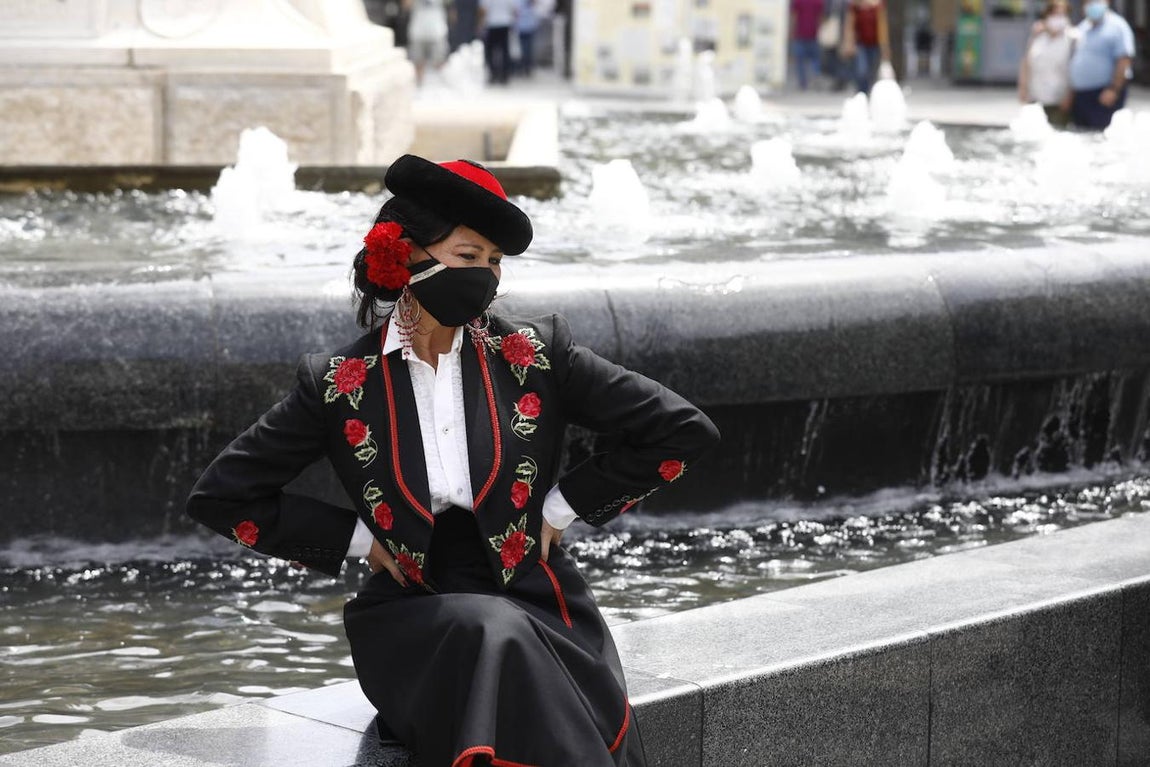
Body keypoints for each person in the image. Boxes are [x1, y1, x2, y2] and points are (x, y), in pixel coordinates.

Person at [185, 154, 721, 767]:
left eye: (495, 262)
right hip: (413, 611)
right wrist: (360, 541)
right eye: (469, 257)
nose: (486, 276)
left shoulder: (536, 354)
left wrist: (562, 506)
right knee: (488, 629)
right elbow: (222, 495)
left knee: (502, 628)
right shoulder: (340, 383)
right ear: (405, 257)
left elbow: (682, 430)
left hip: (537, 599)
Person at [1066, 0, 1136, 129]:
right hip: (1081, 94)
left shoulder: (1118, 26)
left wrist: (1113, 89)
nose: (1092, 4)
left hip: (1103, 93)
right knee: (1082, 135)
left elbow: (1124, 59)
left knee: (1100, 136)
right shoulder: (1084, 26)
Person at [1017, 0, 1074, 128]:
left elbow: (1075, 70)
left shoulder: (1072, 38)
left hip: (1058, 99)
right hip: (1035, 97)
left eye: (1061, 14)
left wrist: (1069, 96)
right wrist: (1023, 88)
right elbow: (1026, 62)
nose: (1057, 18)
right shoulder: (1038, 36)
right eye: (1054, 14)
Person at [840, 0, 890, 94]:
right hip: (860, 44)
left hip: (875, 44)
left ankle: (868, 92)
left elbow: (882, 27)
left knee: (871, 70)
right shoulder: (855, 6)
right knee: (861, 69)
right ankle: (861, 91)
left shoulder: (878, 6)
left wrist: (884, 45)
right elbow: (849, 24)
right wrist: (848, 42)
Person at [404, 0, 451, 86]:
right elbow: (406, 5)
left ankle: (439, 87)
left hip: (437, 31)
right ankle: (419, 85)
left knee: (439, 61)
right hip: (418, 31)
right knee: (418, 61)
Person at [479, 0, 517, 84]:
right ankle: (504, 75)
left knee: (491, 51)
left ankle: (493, 74)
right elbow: (514, 9)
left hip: (492, 24)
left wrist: (481, 23)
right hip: (505, 23)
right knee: (505, 51)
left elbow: (483, 9)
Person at [791, 0, 826, 90]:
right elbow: (821, 17)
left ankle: (803, 83)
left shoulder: (798, 1)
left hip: (800, 33)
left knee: (800, 61)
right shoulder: (818, 1)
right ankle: (816, 77)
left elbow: (794, 16)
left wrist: (792, 30)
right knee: (815, 59)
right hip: (814, 33)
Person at [515, 0, 540, 77]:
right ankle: (526, 66)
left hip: (526, 25)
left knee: (526, 48)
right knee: (526, 48)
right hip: (524, 25)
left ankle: (526, 66)